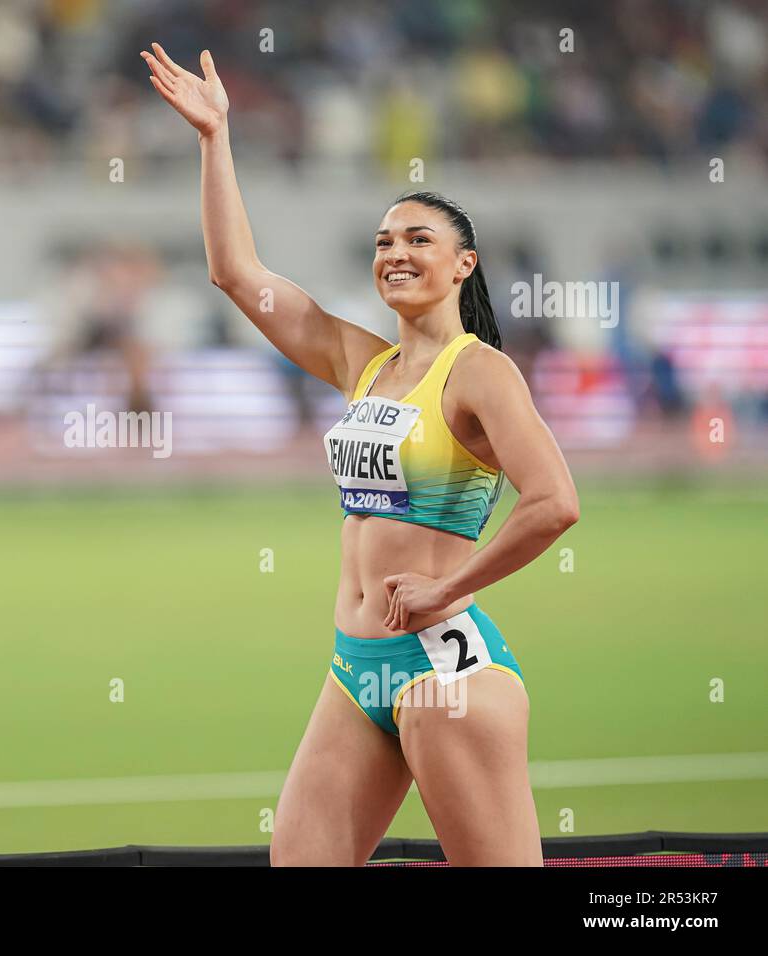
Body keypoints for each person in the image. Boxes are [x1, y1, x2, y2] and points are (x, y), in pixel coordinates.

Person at [142, 42, 579, 866]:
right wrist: (214, 137)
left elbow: (556, 501)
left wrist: (449, 587)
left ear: (463, 264)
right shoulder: (364, 364)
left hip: (446, 671)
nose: (395, 253)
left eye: (418, 238)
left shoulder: (479, 373)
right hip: (355, 671)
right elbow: (238, 274)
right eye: (382, 242)